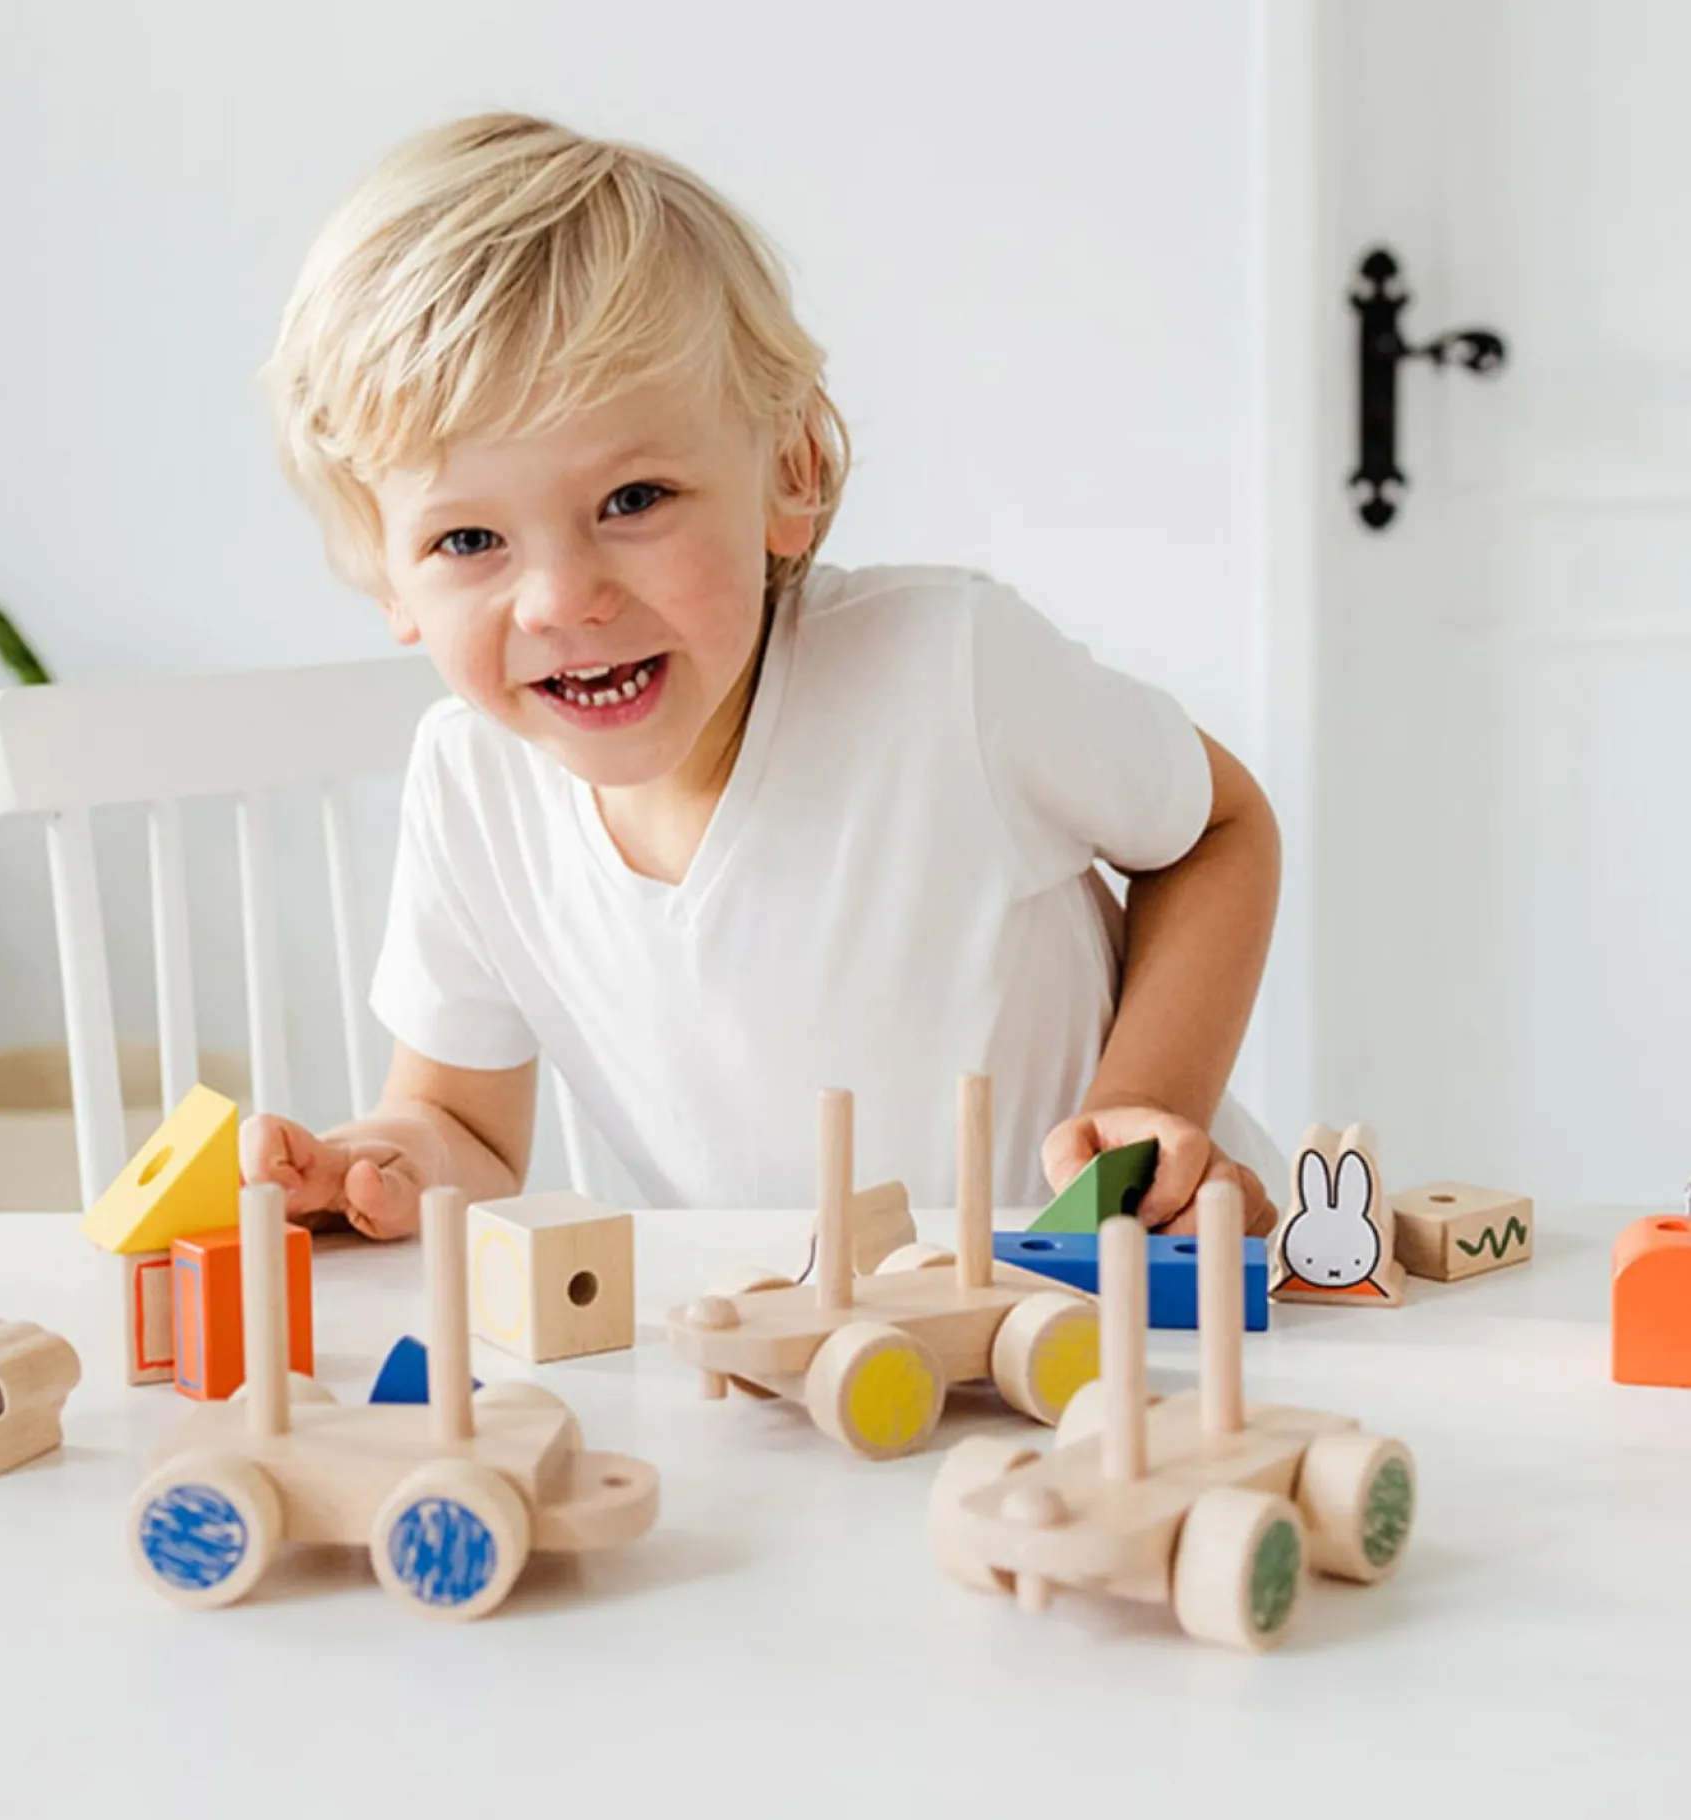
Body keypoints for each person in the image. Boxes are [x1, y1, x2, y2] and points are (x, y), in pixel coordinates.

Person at [244, 110, 1284, 1244]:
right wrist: (379, 1163)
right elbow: (466, 1127)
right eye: (466, 541)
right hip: (808, 1361)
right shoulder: (468, 787)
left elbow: (1216, 826)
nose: (558, 599)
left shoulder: (948, 672)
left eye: (631, 501)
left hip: (1118, 1301)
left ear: (787, 472)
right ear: (386, 579)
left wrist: (1145, 1106)